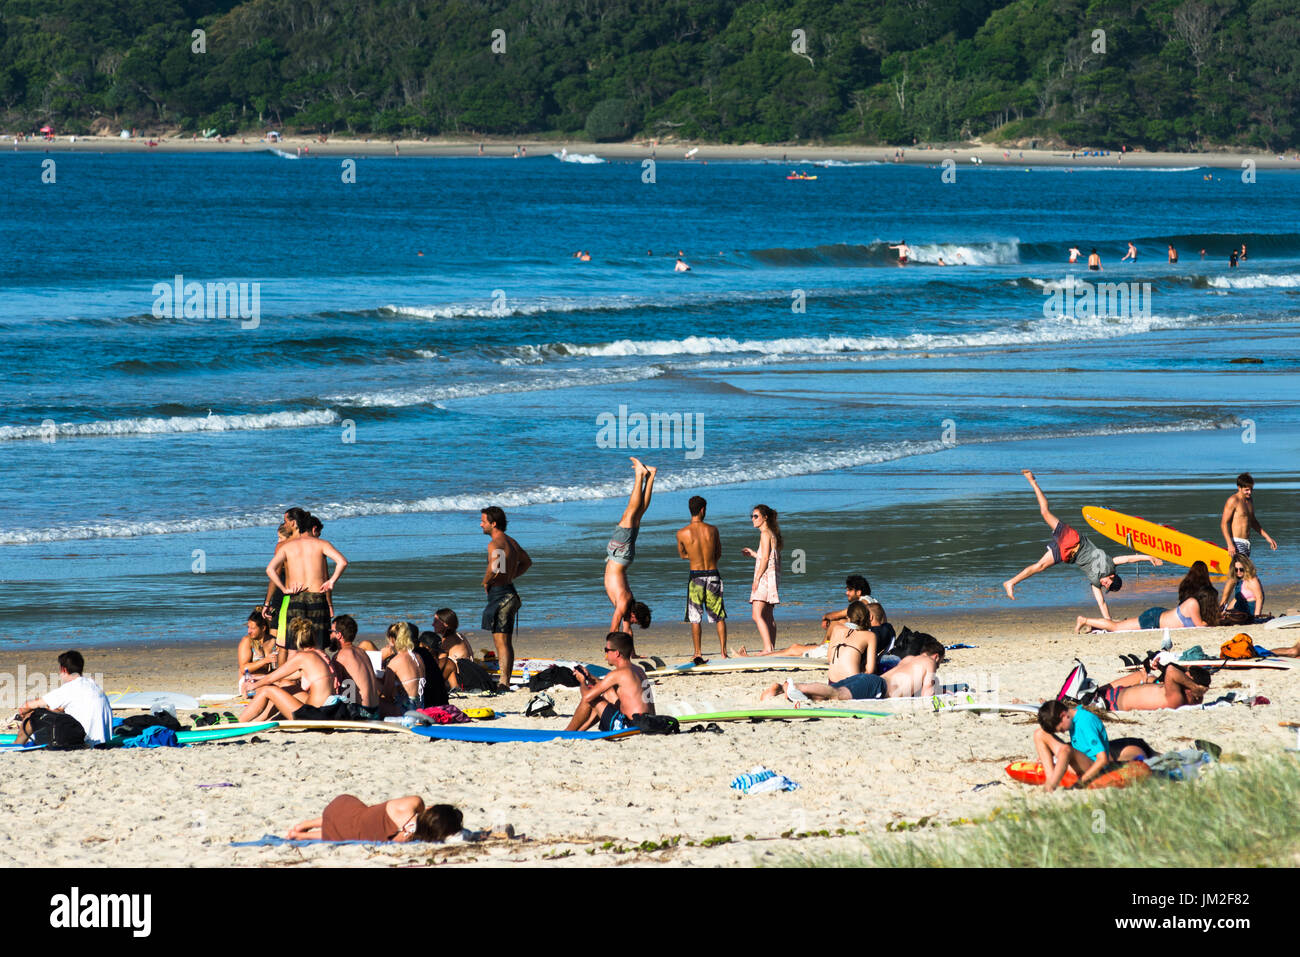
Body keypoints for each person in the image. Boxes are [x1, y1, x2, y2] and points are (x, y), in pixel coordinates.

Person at [1002, 470, 1160, 618]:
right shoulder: (1110, 566)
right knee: (1045, 512)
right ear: (1112, 576)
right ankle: (1032, 481)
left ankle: (1010, 582)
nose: (1104, 584)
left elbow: (1101, 602)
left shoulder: (1095, 583)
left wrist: (1108, 620)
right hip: (1073, 539)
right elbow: (1127, 559)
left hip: (1066, 554)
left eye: (1105, 586)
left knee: (1040, 566)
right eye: (1107, 583)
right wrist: (1149, 557)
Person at [266, 514, 348, 666]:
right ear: (314, 528)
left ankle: (293, 684)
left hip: (295, 598)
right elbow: (342, 562)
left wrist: (284, 589)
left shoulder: (287, 546)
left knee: (293, 648)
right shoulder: (321, 544)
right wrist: (331, 581)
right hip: (317, 598)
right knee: (318, 646)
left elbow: (270, 569)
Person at [761, 636, 944, 702]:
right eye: (940, 662)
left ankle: (780, 690)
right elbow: (927, 695)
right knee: (835, 694)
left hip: (867, 678)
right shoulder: (930, 663)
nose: (938, 666)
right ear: (936, 656)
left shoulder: (909, 659)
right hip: (877, 687)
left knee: (825, 696)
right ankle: (798, 686)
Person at [239, 617, 349, 723]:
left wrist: (252, 686)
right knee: (285, 685)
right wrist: (257, 677)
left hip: (314, 714)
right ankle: (259, 721)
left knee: (267, 690)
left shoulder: (302, 657)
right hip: (328, 710)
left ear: (296, 640)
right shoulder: (321, 655)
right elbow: (285, 676)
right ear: (314, 637)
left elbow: (271, 679)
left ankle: (239, 722)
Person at [1033, 700, 1151, 792]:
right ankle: (1050, 778)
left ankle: (1050, 787)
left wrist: (1080, 783)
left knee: (1066, 750)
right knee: (1039, 733)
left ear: (1064, 715)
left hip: (1093, 766)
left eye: (1061, 729)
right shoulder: (1073, 718)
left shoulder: (1085, 721)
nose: (1063, 732)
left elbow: (1103, 759)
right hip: (1081, 760)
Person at [479, 505, 532, 692]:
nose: (481, 525)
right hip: (510, 591)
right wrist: (511, 576)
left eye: (483, 521)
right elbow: (527, 562)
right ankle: (505, 680)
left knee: (501, 642)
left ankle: (504, 682)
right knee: (504, 641)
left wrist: (485, 582)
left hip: (501, 594)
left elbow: (496, 566)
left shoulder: (496, 543)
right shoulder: (511, 542)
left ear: (493, 524)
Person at [15, 650, 112, 746]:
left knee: (32, 715)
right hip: (102, 742)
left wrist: (23, 713)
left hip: (83, 741)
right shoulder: (93, 684)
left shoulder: (69, 688)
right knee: (52, 711)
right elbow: (59, 709)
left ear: (64, 670)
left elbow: (28, 705)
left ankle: (16, 744)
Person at [603, 458, 655, 633]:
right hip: (619, 554)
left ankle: (651, 475)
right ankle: (639, 475)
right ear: (634, 614)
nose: (632, 623)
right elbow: (614, 626)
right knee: (631, 512)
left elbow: (626, 629)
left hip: (624, 557)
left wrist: (632, 654)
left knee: (638, 514)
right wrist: (609, 651)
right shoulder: (624, 603)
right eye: (634, 621)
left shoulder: (627, 605)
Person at [565, 631, 653, 732]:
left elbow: (587, 697)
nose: (605, 654)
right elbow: (606, 685)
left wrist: (582, 681)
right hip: (648, 722)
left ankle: (568, 732)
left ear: (617, 653)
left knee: (593, 698)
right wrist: (589, 677)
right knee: (608, 693)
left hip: (630, 726)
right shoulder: (638, 670)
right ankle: (580, 731)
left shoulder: (618, 673)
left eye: (607, 650)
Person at [676, 495, 727, 661]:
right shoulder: (713, 530)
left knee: (695, 617)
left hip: (695, 576)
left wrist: (694, 555)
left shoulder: (682, 533)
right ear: (703, 510)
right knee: (718, 615)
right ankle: (723, 651)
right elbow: (718, 553)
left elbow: (683, 555)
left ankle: (698, 652)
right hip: (713, 574)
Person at [288, 796, 462, 843]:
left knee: (356, 815)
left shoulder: (414, 803)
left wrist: (424, 813)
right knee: (351, 831)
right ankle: (301, 836)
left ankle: (304, 825)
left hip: (341, 807)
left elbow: (420, 812)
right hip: (341, 835)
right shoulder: (406, 838)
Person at [1075, 587, 1219, 633]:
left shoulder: (1195, 605)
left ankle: (1095, 625)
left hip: (1159, 616)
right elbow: (1201, 626)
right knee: (1116, 627)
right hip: (1154, 619)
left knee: (1122, 624)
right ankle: (1084, 620)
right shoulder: (1193, 603)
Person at [1086, 662, 1211, 711]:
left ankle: (1090, 695)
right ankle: (1093, 692)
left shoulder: (1177, 697)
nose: (1183, 678)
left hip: (1110, 701)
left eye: (1186, 678)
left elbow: (1171, 670)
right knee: (1144, 675)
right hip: (1115, 693)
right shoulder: (1180, 694)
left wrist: (1194, 687)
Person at [743, 504, 782, 653]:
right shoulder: (771, 533)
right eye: (752, 516)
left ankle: (767, 648)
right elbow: (769, 556)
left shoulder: (765, 534)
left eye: (756, 516)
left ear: (765, 517)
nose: (752, 519)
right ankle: (771, 646)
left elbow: (766, 558)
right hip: (772, 578)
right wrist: (754, 554)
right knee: (767, 615)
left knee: (756, 614)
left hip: (765, 578)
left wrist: (756, 579)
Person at [330, 614, 381, 720]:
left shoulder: (340, 656)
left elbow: (336, 688)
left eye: (331, 632)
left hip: (361, 712)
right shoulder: (362, 652)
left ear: (339, 635)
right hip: (375, 711)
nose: (329, 636)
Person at [1220, 472, 1277, 557]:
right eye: (1247, 490)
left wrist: (1267, 537)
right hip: (1236, 543)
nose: (1249, 492)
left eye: (1251, 489)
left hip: (1247, 543)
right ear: (1239, 488)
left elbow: (1253, 522)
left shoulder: (1250, 500)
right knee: (1244, 570)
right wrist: (1230, 544)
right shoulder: (1233, 500)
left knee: (1245, 570)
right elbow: (1223, 524)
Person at [379, 622, 426, 716]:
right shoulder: (417, 657)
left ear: (392, 639)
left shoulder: (395, 661)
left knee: (375, 701)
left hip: (405, 711)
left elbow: (386, 695)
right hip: (420, 706)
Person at [236, 610, 279, 696]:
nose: (249, 631)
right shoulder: (247, 641)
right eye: (248, 627)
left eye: (252, 628)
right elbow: (243, 669)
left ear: (263, 628)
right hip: (249, 681)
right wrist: (264, 661)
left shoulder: (274, 641)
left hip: (267, 678)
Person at [1220, 553, 1265, 624]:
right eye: (1236, 570)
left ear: (1246, 568)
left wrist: (1257, 616)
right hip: (1239, 608)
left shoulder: (1252, 580)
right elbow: (1236, 598)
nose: (1238, 572)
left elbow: (1260, 598)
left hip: (1249, 611)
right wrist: (1228, 609)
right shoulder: (1238, 580)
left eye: (1241, 569)